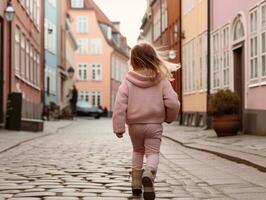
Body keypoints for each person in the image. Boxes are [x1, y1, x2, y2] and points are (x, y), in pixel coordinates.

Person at [112, 42, 180, 200]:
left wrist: (119, 127)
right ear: (153, 58)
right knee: (153, 152)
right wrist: (169, 118)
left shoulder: (127, 82)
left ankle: (136, 184)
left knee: (137, 151)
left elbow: (119, 105)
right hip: (154, 125)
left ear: (133, 61)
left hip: (135, 126)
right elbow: (173, 102)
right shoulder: (161, 80)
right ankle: (149, 173)